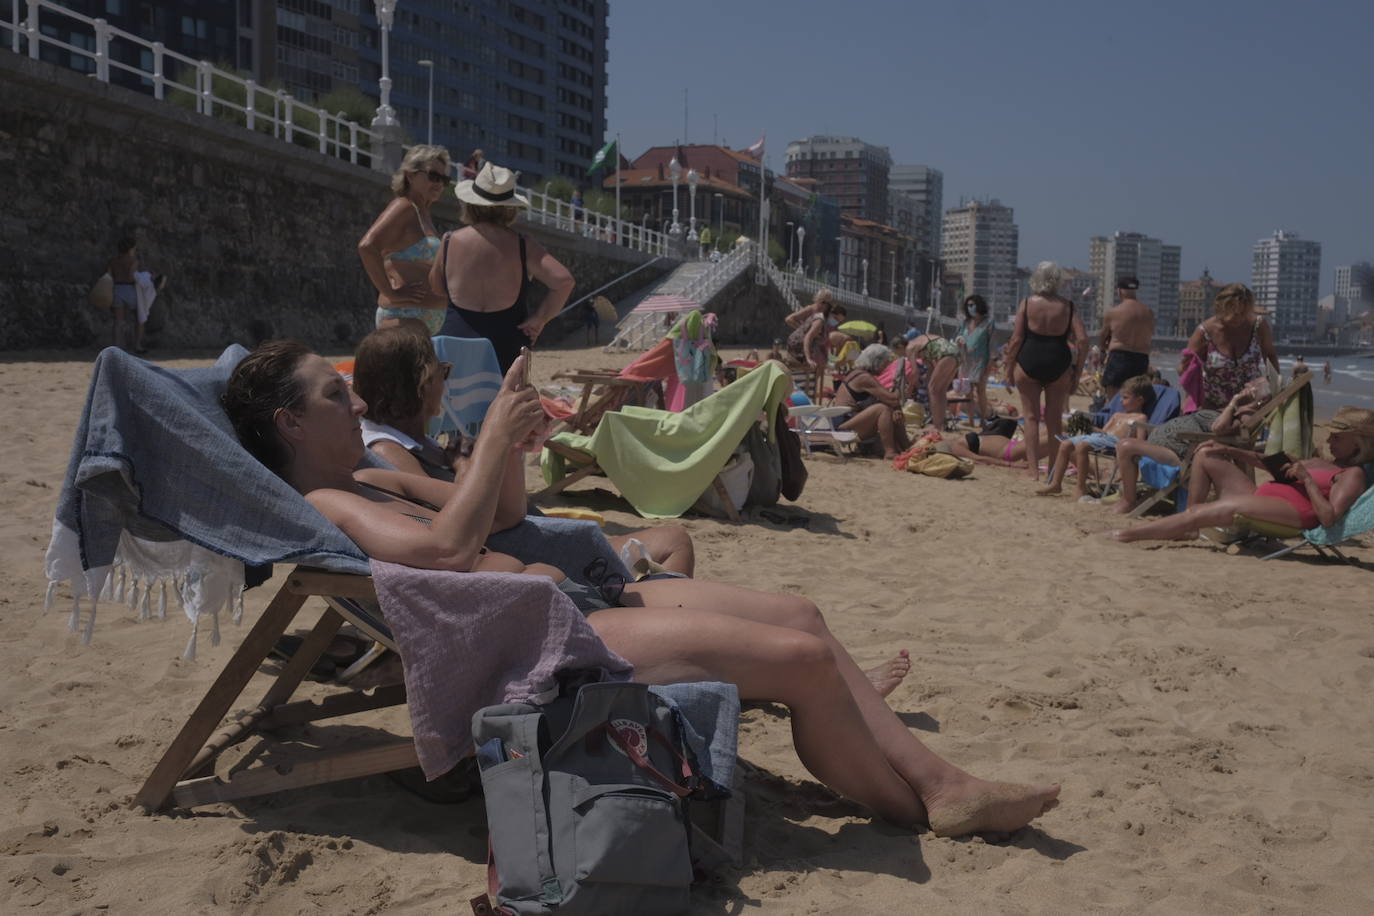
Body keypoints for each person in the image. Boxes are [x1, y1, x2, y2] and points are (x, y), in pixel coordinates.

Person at [223, 340, 1061, 837]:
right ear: (290, 424)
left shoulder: (375, 474)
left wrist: (506, 440)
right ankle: (928, 806)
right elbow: (446, 551)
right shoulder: (328, 496)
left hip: (569, 608)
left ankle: (938, 782)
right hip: (539, 647)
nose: (356, 400)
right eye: (335, 396)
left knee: (801, 616)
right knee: (801, 661)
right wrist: (484, 452)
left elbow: (501, 511)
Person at [351, 324, 697, 577]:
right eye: (443, 372)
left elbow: (504, 507)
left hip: (536, 543)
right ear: (421, 385)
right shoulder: (389, 453)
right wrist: (473, 459)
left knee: (672, 544)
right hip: (532, 557)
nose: (446, 382)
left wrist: (511, 445)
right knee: (674, 541)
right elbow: (474, 515)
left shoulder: (416, 444)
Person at [1107, 406, 1374, 543]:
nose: (1329, 439)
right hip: (1265, 496)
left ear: (1358, 442)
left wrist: (1306, 479)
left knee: (1214, 509)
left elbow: (1328, 518)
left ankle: (1130, 535)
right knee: (1206, 454)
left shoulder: (1352, 475)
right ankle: (1189, 529)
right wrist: (1227, 449)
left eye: (1338, 437)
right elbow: (1267, 463)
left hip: (1294, 511)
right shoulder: (1320, 460)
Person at [432, 162, 575, 373]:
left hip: (456, 339)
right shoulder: (522, 245)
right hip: (504, 343)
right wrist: (539, 319)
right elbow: (564, 281)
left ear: (470, 203)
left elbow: (435, 287)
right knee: (504, 404)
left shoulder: (449, 240)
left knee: (452, 403)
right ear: (509, 207)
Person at [1111, 377, 1265, 516]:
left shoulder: (1246, 414)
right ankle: (1129, 498)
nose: (1247, 384)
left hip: (1180, 453)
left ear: (1261, 398)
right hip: (1166, 447)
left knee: (1125, 446)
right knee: (1125, 445)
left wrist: (1235, 402)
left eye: (1254, 386)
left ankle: (1128, 501)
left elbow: (1219, 429)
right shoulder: (1233, 410)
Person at [1002, 262, 1089, 479]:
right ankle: (1052, 470)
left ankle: (1033, 471)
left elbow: (1016, 339)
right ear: (1057, 280)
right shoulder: (1068, 306)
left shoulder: (1027, 303)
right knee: (1054, 420)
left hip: (1029, 360)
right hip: (1058, 363)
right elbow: (1083, 340)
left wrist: (1008, 368)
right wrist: (1077, 372)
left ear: (1036, 279)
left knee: (1030, 418)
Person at [355, 145, 452, 336]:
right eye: (433, 176)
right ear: (410, 175)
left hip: (420, 324)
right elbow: (367, 247)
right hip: (403, 318)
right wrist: (391, 293)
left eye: (444, 179)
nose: (439, 183)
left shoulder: (424, 213)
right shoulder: (404, 207)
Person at [1038, 375, 1155, 500]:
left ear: (1140, 400)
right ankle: (1056, 484)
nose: (1121, 400)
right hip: (1100, 437)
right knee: (1065, 444)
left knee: (1081, 446)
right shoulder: (1117, 415)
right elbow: (1103, 432)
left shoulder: (1141, 418)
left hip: (1115, 443)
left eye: (1125, 397)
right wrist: (1089, 426)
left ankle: (1080, 487)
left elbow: (1140, 442)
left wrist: (1123, 456)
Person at [1181, 283, 1280, 410]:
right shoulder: (1205, 332)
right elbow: (1188, 372)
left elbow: (1270, 355)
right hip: (1212, 404)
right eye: (1233, 312)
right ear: (1221, 308)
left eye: (1243, 313)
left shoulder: (1258, 325)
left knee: (1246, 423)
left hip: (1250, 403)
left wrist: (1273, 386)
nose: (1238, 318)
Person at [831, 344, 911, 460]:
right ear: (877, 361)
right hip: (843, 427)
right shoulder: (864, 378)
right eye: (885, 363)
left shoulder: (857, 373)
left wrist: (896, 408)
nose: (886, 367)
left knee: (893, 412)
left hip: (847, 422)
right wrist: (899, 385)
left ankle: (906, 448)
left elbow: (890, 400)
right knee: (882, 409)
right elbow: (892, 399)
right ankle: (890, 452)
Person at [1098, 277, 1156, 402]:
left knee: (1113, 399)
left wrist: (1102, 352)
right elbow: (1150, 334)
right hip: (1141, 358)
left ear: (1120, 291)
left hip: (1120, 357)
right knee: (1135, 398)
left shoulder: (1113, 313)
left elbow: (1103, 337)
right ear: (1135, 291)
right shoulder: (1148, 313)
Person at [784, 289, 836, 399]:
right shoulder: (812, 311)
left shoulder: (822, 316)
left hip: (811, 343)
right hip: (804, 345)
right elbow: (789, 319)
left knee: (823, 363)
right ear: (817, 300)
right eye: (821, 302)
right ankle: (808, 390)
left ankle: (810, 388)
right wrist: (803, 330)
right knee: (820, 363)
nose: (823, 305)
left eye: (826, 303)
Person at [905, 332, 961, 431]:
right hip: (956, 353)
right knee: (941, 391)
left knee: (933, 390)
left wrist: (910, 389)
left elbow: (915, 372)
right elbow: (931, 369)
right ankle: (941, 423)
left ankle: (936, 425)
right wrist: (924, 383)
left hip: (946, 354)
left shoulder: (909, 347)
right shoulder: (923, 344)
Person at [956, 295, 994, 426]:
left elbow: (992, 344)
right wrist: (959, 339)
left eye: (972, 305)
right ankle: (971, 420)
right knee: (967, 392)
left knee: (980, 391)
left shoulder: (988, 323)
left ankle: (983, 420)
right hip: (965, 361)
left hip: (981, 362)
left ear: (979, 305)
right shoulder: (964, 322)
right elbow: (958, 335)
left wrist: (990, 364)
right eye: (968, 305)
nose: (970, 308)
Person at [947, 427, 1053, 469]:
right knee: (1057, 437)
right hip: (1009, 452)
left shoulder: (952, 441)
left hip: (1014, 445)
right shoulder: (955, 449)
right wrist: (1011, 464)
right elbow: (979, 459)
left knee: (1056, 427)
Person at [106, 237, 140, 352]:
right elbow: (131, 277)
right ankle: (134, 344)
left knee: (118, 321)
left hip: (117, 288)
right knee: (136, 318)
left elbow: (109, 276)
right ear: (130, 248)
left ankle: (116, 346)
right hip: (129, 289)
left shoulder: (113, 260)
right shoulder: (133, 260)